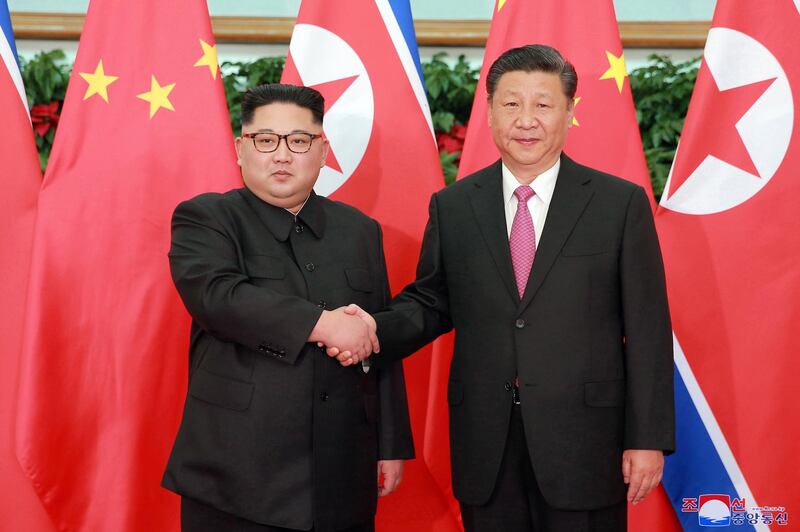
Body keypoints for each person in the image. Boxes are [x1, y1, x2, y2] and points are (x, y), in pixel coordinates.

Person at [330, 44, 674, 531]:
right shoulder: (454, 206)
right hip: (485, 440)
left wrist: (648, 437)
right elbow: (431, 301)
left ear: (570, 112)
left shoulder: (618, 204)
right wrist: (371, 329)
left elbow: (648, 328)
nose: (526, 120)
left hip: (586, 439)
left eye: (543, 104)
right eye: (511, 104)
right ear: (489, 112)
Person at [161, 84, 414, 532]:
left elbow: (375, 339)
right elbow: (218, 297)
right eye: (266, 140)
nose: (282, 155)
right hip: (235, 472)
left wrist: (389, 443)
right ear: (241, 148)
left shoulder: (359, 231)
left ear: (322, 150)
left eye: (298, 141)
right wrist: (322, 325)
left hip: (341, 470)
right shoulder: (208, 218)